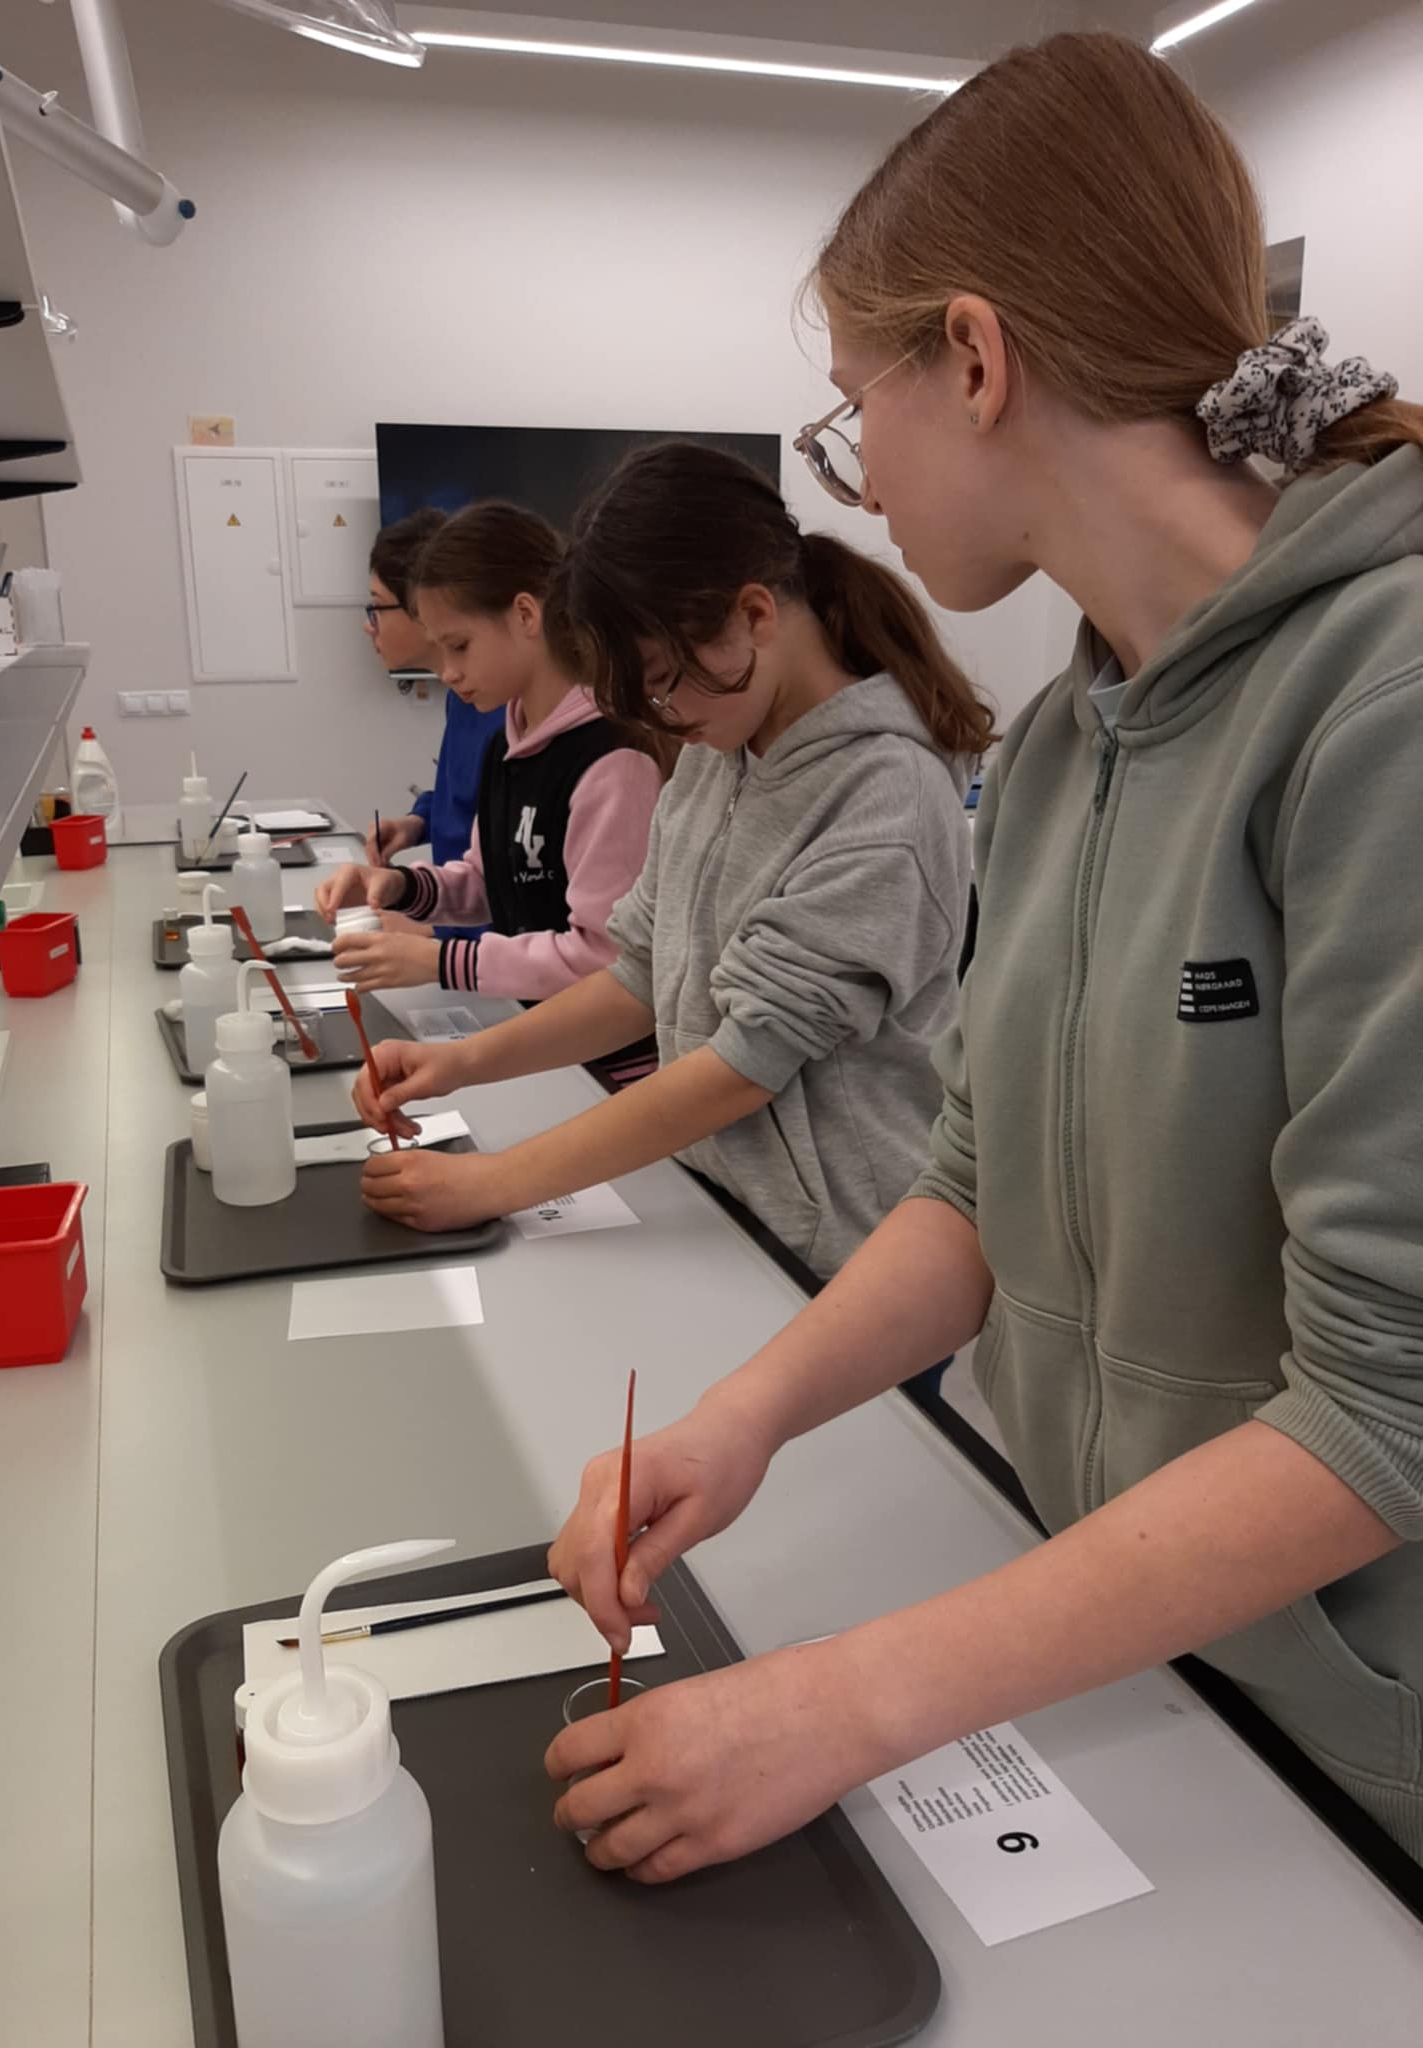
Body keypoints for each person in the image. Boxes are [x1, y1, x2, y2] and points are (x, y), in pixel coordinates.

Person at [543, 30, 1423, 1883]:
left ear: (971, 355)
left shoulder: (1385, 703)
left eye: (850, 414)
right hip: (1127, 1636)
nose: (854, 479)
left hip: (1351, 1739)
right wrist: (744, 1417)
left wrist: (843, 1700)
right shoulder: (1057, 746)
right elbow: (974, 1182)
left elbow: (1389, 1404)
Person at [350, 440, 990, 1280]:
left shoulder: (884, 795)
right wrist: (462, 1062)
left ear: (753, 615)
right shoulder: (720, 748)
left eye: (661, 679)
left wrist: (493, 1183)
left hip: (839, 1250)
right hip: (721, 1202)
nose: (661, 714)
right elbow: (637, 972)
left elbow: (743, 1065)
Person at [316, 500, 664, 1002]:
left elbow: (603, 960)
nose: (447, 671)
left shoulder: (612, 761)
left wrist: (442, 961)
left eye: (459, 646)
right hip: (536, 1024)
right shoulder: (506, 743)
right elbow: (488, 880)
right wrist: (399, 886)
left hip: (602, 1045)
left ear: (525, 614)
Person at [363, 508, 505, 878]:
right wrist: (418, 822)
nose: (369, 625)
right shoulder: (461, 698)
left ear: (421, 609)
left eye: (377, 607)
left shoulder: (502, 707)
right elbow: (462, 800)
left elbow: (497, 867)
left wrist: (415, 904)